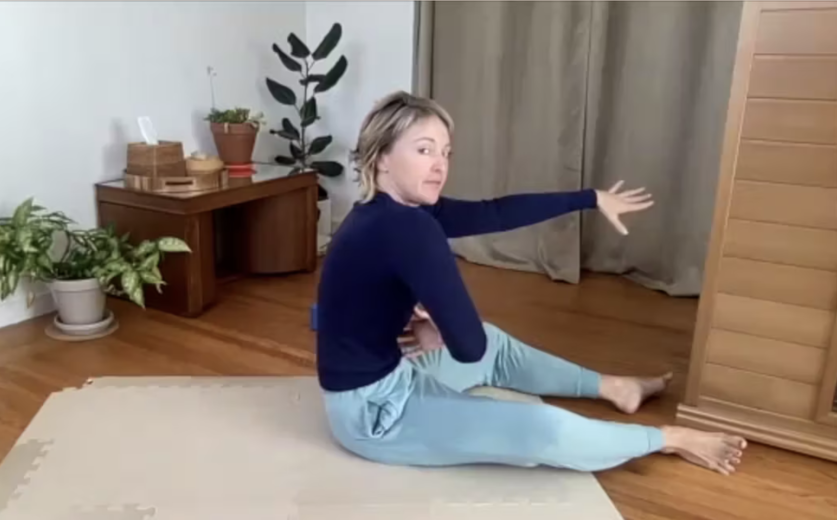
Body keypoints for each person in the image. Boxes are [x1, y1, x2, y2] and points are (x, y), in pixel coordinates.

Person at [314, 91, 746, 476]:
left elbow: (498, 213)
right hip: (375, 414)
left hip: (386, 379)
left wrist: (591, 198)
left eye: (446, 152)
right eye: (424, 150)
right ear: (382, 157)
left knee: (496, 342)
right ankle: (669, 439)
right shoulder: (408, 228)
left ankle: (615, 387)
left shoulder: (386, 213)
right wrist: (438, 325)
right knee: (543, 428)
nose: (440, 165)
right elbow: (468, 348)